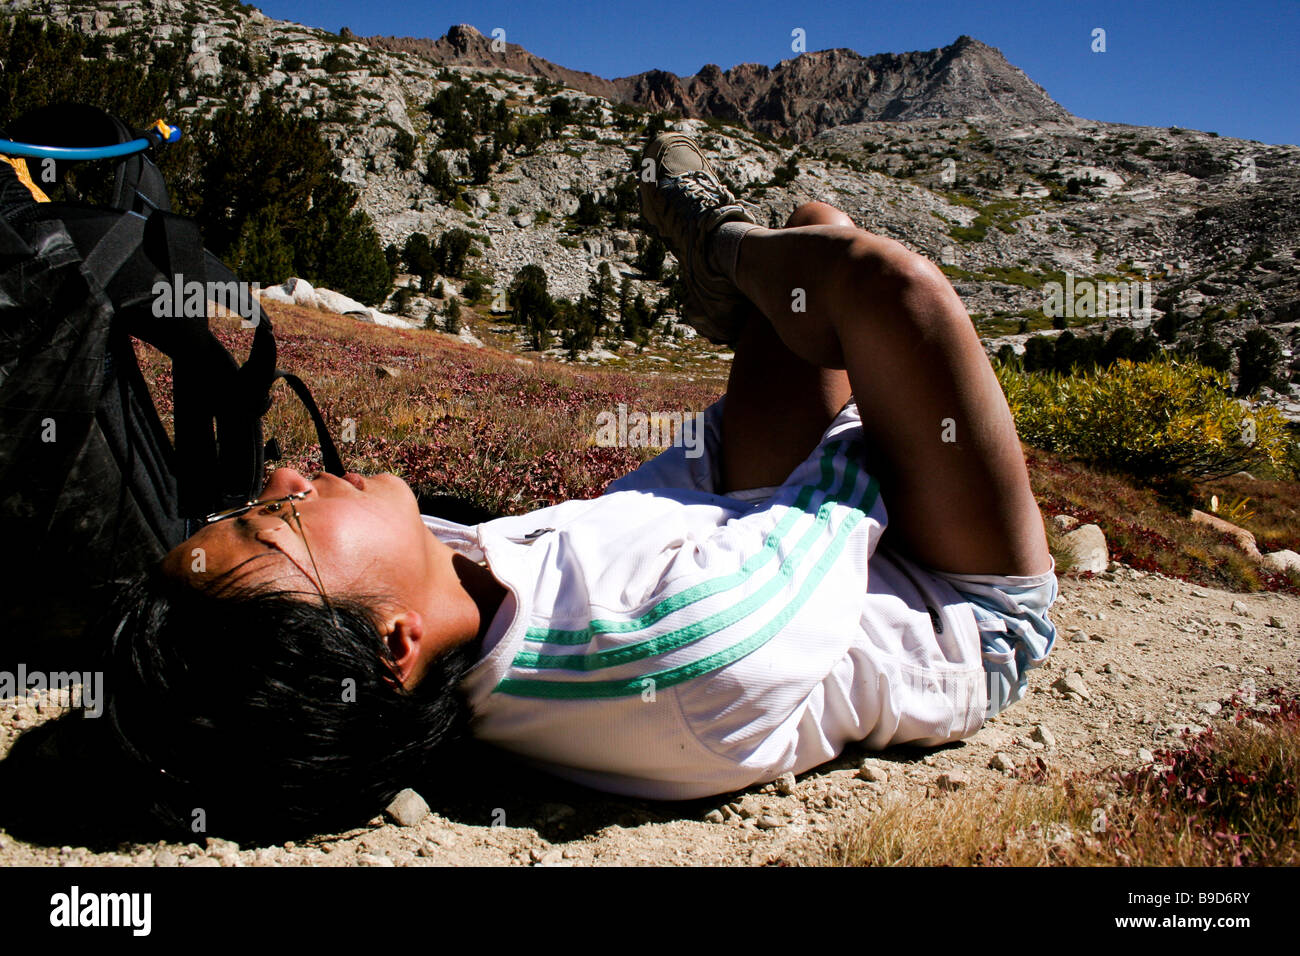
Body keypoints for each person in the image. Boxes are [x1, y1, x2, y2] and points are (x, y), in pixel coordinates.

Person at [94, 131, 1057, 841]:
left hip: (740, 525)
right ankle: (725, 248)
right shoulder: (675, 647)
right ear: (393, 643)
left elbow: (641, 524)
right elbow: (841, 495)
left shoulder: (445, 603)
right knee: (878, 286)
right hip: (950, 599)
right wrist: (873, 378)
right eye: (277, 522)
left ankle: (754, 266)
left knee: (811, 247)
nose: (286, 473)